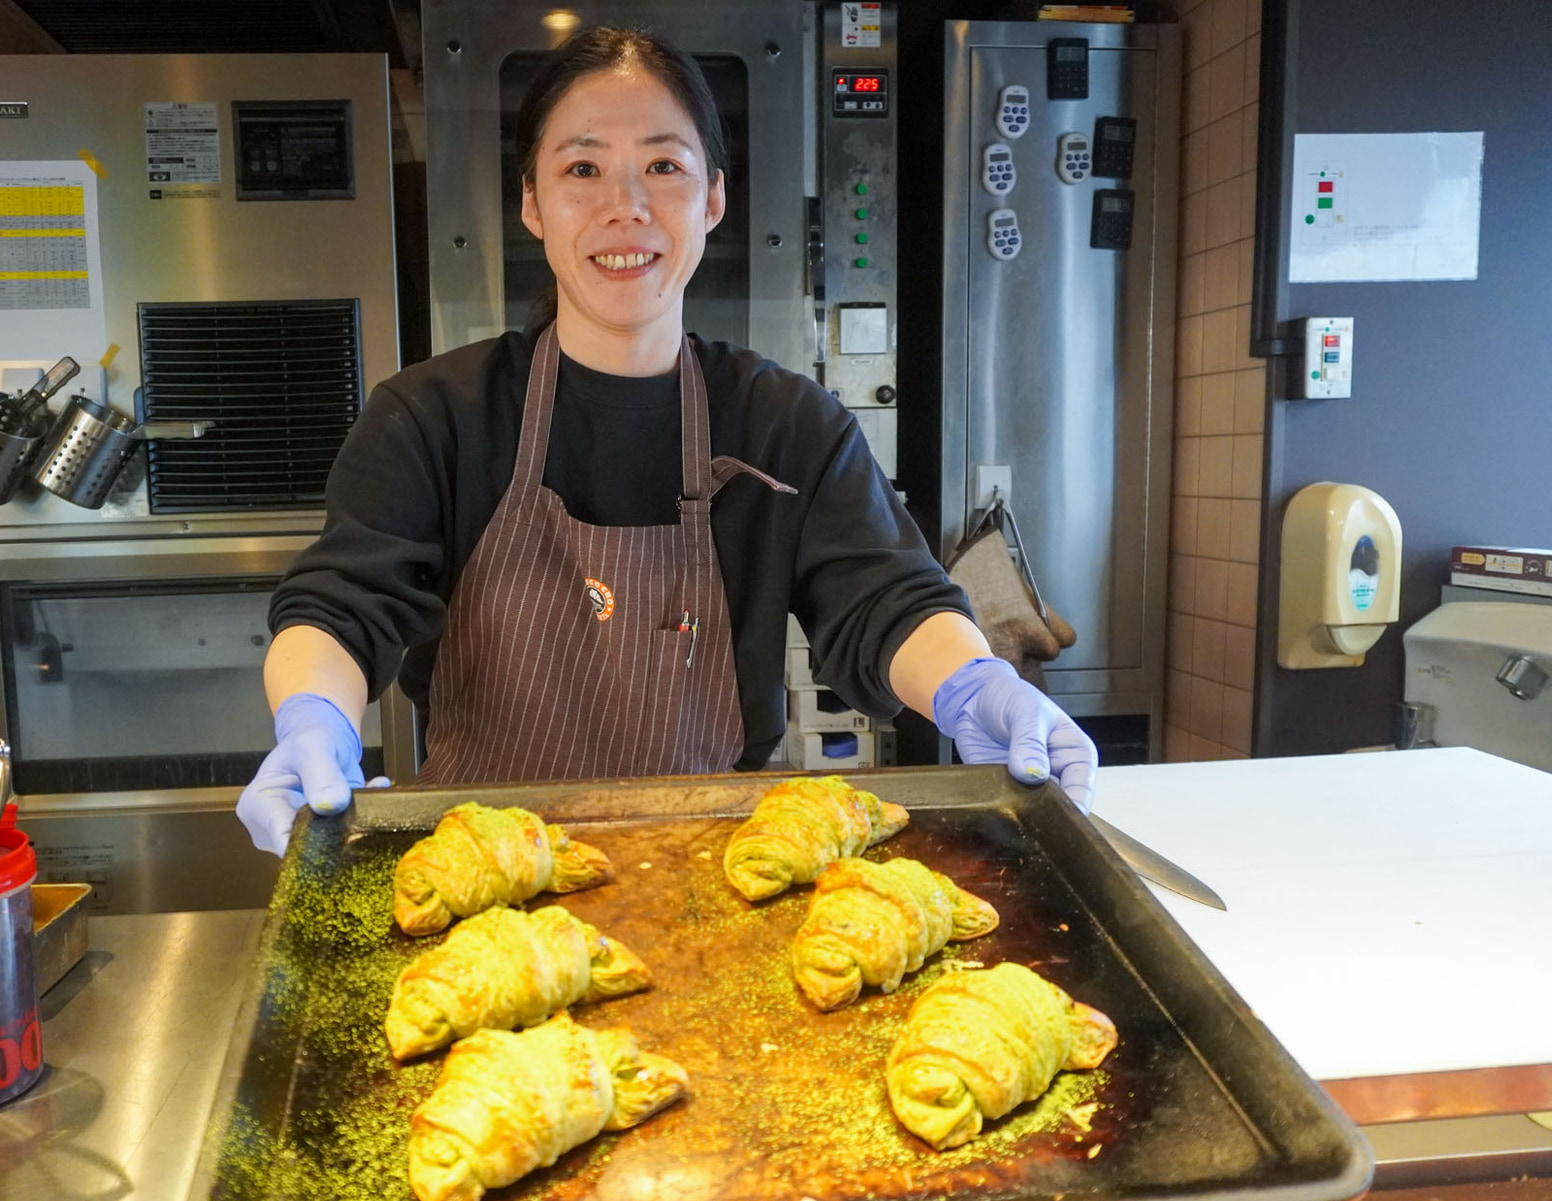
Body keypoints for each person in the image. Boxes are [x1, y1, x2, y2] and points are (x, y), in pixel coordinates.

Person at [236, 26, 1096, 856]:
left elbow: (889, 601)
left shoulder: (787, 423)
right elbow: (341, 609)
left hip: (717, 874)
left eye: (663, 166)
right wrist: (314, 718)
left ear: (712, 198)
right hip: (482, 874)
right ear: (532, 202)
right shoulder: (433, 415)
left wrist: (974, 684)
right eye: (582, 169)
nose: (626, 207)